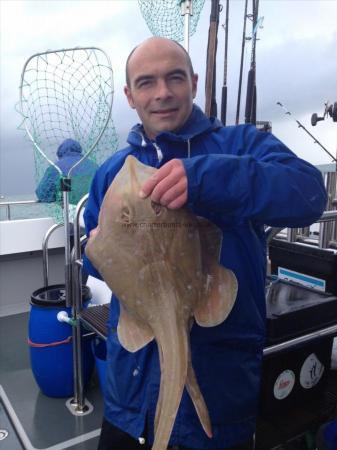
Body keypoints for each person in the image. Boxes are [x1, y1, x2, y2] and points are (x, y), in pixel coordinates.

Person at [83, 37, 327, 450]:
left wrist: (207, 179)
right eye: (146, 82)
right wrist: (100, 251)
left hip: (219, 398)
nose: (162, 92)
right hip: (131, 398)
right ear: (129, 95)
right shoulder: (111, 172)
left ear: (194, 83)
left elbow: (308, 194)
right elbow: (93, 258)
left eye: (174, 77)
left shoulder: (241, 146)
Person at [35, 138, 98, 205]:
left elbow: (43, 194)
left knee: (64, 181)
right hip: (95, 210)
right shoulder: (94, 166)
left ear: (60, 152)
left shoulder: (56, 168)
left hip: (70, 212)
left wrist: (58, 196)